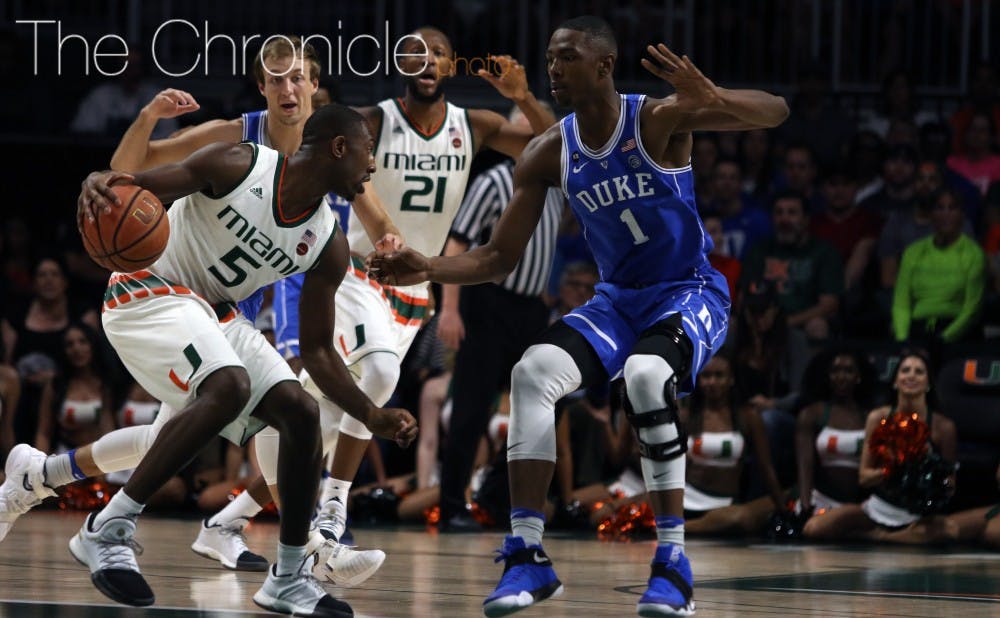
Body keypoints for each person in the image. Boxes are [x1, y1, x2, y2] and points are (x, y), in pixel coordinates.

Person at [368, 16, 788, 616]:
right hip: (617, 299)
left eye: (566, 57)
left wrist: (714, 98)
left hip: (687, 290)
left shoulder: (657, 119)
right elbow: (495, 258)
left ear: (603, 65)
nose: (554, 68)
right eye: (549, 57)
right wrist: (427, 267)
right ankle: (528, 557)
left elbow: (775, 111)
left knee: (646, 376)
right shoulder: (546, 152)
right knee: (532, 373)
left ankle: (672, 564)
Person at [9, 104, 417, 616]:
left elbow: (316, 352)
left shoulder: (328, 245)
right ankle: (108, 527)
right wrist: (98, 180)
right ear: (339, 147)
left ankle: (288, 577)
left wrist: (371, 414)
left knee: (299, 411)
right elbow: (134, 187)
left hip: (214, 315)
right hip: (148, 291)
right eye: (368, 152)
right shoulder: (241, 165)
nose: (374, 166)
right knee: (228, 386)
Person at [103, 35, 404, 582]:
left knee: (267, 412)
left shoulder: (337, 160)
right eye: (275, 78)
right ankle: (313, 539)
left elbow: (378, 218)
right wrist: (147, 118)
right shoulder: (234, 142)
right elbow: (125, 179)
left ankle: (40, 475)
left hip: (252, 290)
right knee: (246, 404)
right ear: (261, 86)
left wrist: (389, 245)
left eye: (297, 78)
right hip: (179, 290)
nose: (287, 88)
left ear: (315, 85)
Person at [272, 27, 555, 553]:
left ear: (450, 66)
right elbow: (336, 166)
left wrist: (522, 98)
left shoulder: (475, 124)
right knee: (380, 375)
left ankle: (238, 510)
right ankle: (333, 509)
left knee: (339, 404)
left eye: (439, 52)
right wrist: (382, 232)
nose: (426, 59)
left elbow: (555, 152)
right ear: (401, 62)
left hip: (417, 285)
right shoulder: (375, 120)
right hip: (362, 271)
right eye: (415, 51)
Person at [435, 104, 563, 532]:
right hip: (488, 304)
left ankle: (496, 497)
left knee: (543, 400)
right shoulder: (493, 182)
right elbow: (457, 245)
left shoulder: (556, 184)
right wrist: (450, 309)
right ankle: (451, 504)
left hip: (531, 309)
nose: (530, 135)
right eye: (522, 128)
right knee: (471, 407)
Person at [802, 350, 957, 544]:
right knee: (813, 528)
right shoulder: (878, 417)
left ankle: (881, 537)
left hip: (919, 513)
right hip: (879, 508)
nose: (911, 375)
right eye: (905, 370)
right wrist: (897, 467)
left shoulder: (943, 427)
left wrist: (923, 474)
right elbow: (864, 477)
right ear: (895, 381)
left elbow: (950, 486)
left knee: (948, 531)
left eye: (919, 372)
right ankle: (890, 537)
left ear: (928, 384)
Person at [892, 189, 986, 361]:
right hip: (917, 331)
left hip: (956, 334)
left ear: (962, 215)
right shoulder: (913, 252)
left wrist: (942, 340)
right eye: (939, 208)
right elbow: (901, 303)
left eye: (952, 208)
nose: (946, 214)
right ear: (931, 215)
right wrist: (902, 341)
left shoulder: (974, 254)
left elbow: (971, 310)